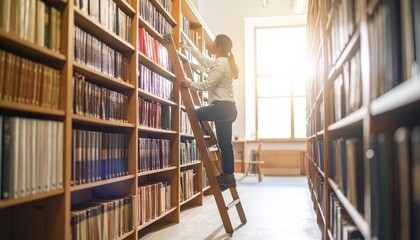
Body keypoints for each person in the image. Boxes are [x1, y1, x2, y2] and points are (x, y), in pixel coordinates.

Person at [180, 34, 239, 190]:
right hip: (229, 109)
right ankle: (228, 176)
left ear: (218, 47)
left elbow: (207, 85)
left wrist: (189, 83)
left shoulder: (220, 64)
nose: (211, 45)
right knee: (225, 145)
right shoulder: (222, 62)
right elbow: (203, 59)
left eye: (213, 43)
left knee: (195, 113)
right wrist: (187, 46)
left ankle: (202, 141)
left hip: (222, 108)